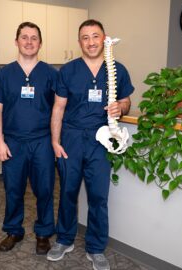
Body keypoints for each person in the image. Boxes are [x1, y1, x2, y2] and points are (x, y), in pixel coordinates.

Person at [47, 19, 134, 270]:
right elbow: (58, 108)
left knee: (98, 196)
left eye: (95, 36)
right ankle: (64, 240)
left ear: (104, 38)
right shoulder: (67, 71)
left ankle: (96, 248)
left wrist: (121, 107)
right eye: (85, 37)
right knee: (67, 193)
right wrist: (55, 141)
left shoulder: (117, 69)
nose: (91, 42)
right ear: (79, 42)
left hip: (101, 139)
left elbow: (126, 101)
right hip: (71, 139)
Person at [0, 22, 57, 255]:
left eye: (34, 38)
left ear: (40, 43)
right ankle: (14, 230)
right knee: (13, 189)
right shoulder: (5, 75)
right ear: (16, 41)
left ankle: (43, 233)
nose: (29, 42)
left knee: (45, 189)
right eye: (24, 37)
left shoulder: (50, 74)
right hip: (13, 142)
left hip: (42, 142)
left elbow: (60, 108)